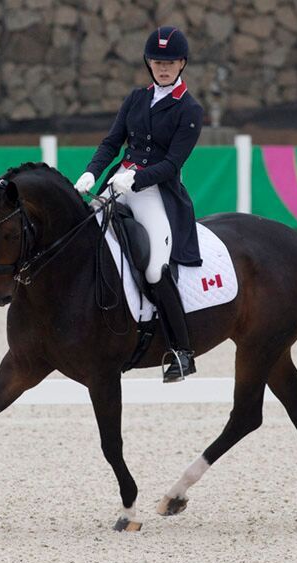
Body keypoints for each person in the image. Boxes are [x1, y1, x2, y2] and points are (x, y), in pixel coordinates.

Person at [74, 25, 203, 384]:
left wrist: (137, 178)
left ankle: (181, 351)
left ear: (182, 64)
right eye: (157, 61)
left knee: (154, 269)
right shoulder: (135, 98)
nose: (163, 67)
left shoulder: (189, 109)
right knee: (82, 239)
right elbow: (111, 142)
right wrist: (91, 173)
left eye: (170, 62)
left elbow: (173, 164)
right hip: (116, 183)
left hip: (155, 193)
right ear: (148, 62)